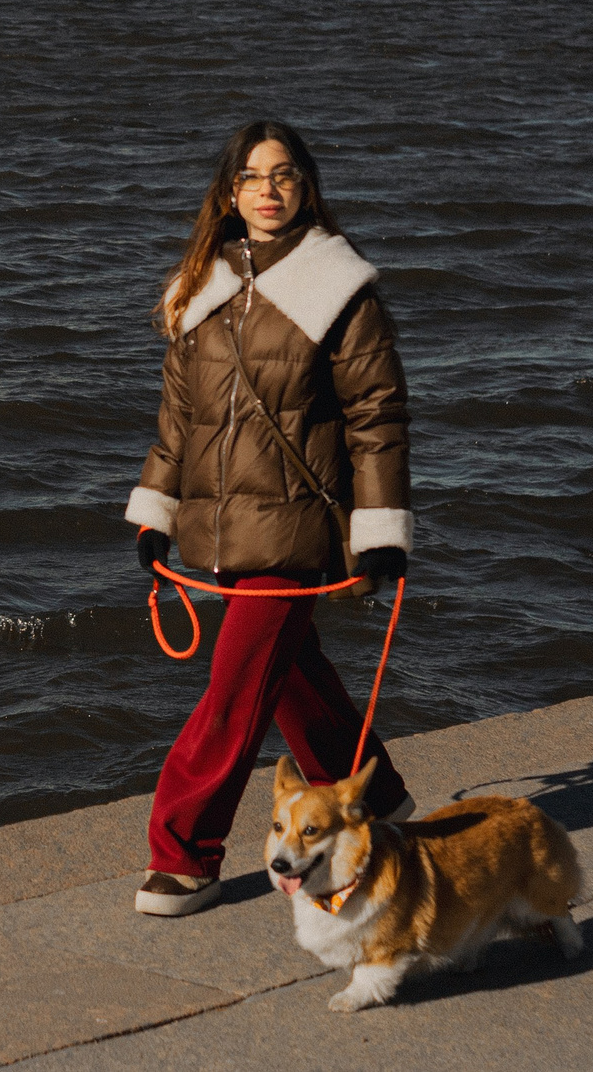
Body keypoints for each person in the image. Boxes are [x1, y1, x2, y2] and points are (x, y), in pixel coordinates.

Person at [124, 120, 413, 917]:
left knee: (233, 691)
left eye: (284, 174)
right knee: (291, 677)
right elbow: (179, 422)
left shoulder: (340, 288)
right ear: (230, 191)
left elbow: (377, 415)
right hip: (221, 528)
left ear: (306, 186)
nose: (269, 188)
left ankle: (184, 855)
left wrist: (381, 529)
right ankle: (378, 795)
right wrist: (155, 512)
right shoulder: (201, 286)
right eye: (253, 176)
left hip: (297, 527)